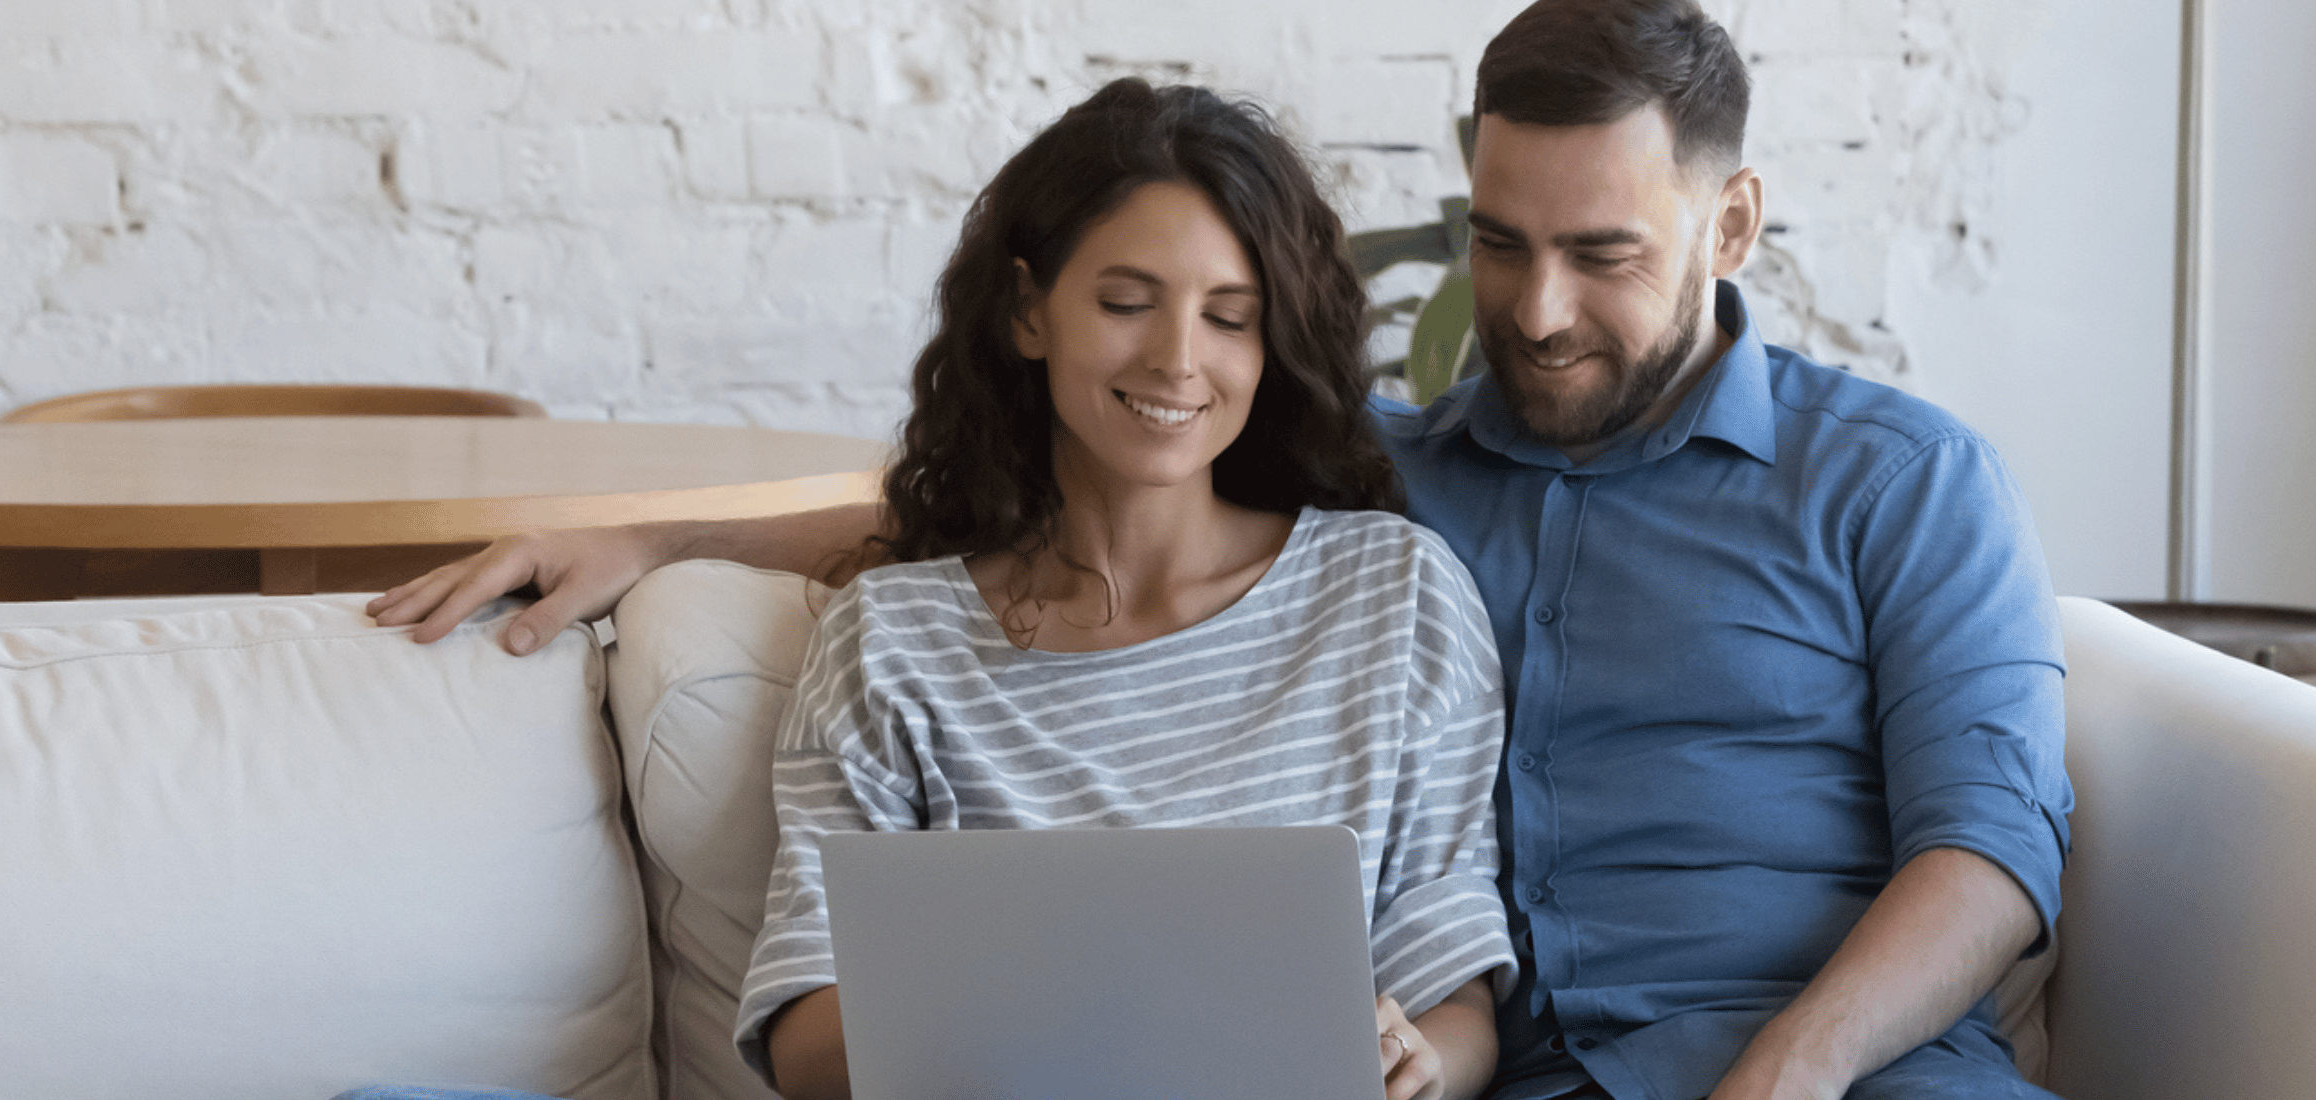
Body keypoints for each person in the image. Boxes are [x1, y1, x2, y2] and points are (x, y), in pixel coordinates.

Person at [375, 3, 2070, 1098]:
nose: (1537, 311)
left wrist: (1795, 1070)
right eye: (1499, 245)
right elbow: (1073, 500)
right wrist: (671, 543)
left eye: (1603, 255)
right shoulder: (1393, 485)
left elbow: (1995, 846)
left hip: (1838, 1072)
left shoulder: (1902, 486)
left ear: (1734, 221)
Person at [376, 79, 1516, 1100]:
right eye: (1126, 300)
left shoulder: (1392, 595)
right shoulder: (896, 637)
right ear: (1029, 309)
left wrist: (1418, 1060)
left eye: (1230, 315)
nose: (1180, 358)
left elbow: (1451, 985)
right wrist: (1061, 1033)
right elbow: (806, 1036)